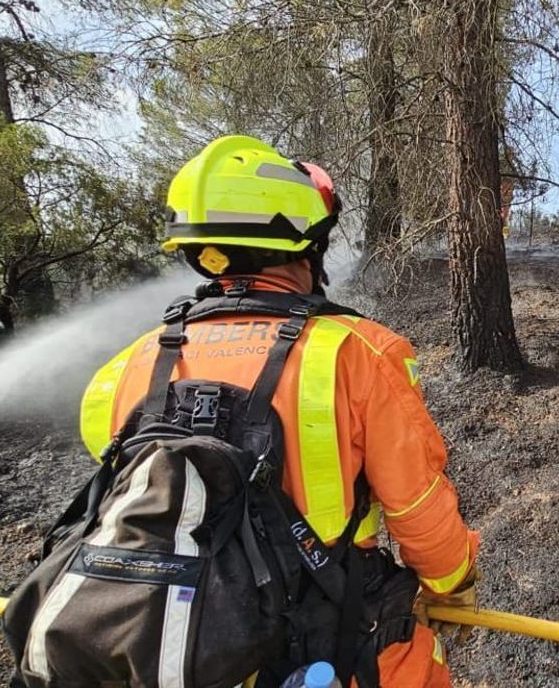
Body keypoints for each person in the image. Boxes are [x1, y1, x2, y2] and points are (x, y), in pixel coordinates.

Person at [76, 136, 478, 688]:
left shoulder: (131, 365)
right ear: (303, 246)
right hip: (332, 640)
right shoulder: (357, 352)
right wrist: (452, 586)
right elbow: (418, 504)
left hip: (169, 643)